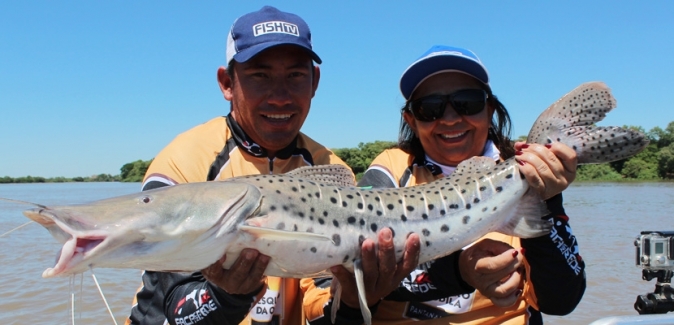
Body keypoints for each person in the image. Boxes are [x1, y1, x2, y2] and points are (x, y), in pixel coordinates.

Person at [125, 6, 421, 325]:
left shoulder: (330, 169)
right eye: (259, 76)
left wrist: (352, 299)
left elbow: (320, 302)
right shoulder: (184, 162)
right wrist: (226, 296)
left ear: (314, 82)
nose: (280, 97)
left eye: (295, 76)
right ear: (227, 83)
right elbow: (170, 308)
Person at [301, 45, 586, 324]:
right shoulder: (391, 170)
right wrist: (460, 273)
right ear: (411, 120)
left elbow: (560, 301)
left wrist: (548, 199)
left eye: (468, 102)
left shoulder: (522, 170)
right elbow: (347, 280)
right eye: (430, 108)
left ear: (490, 109)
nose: (450, 119)